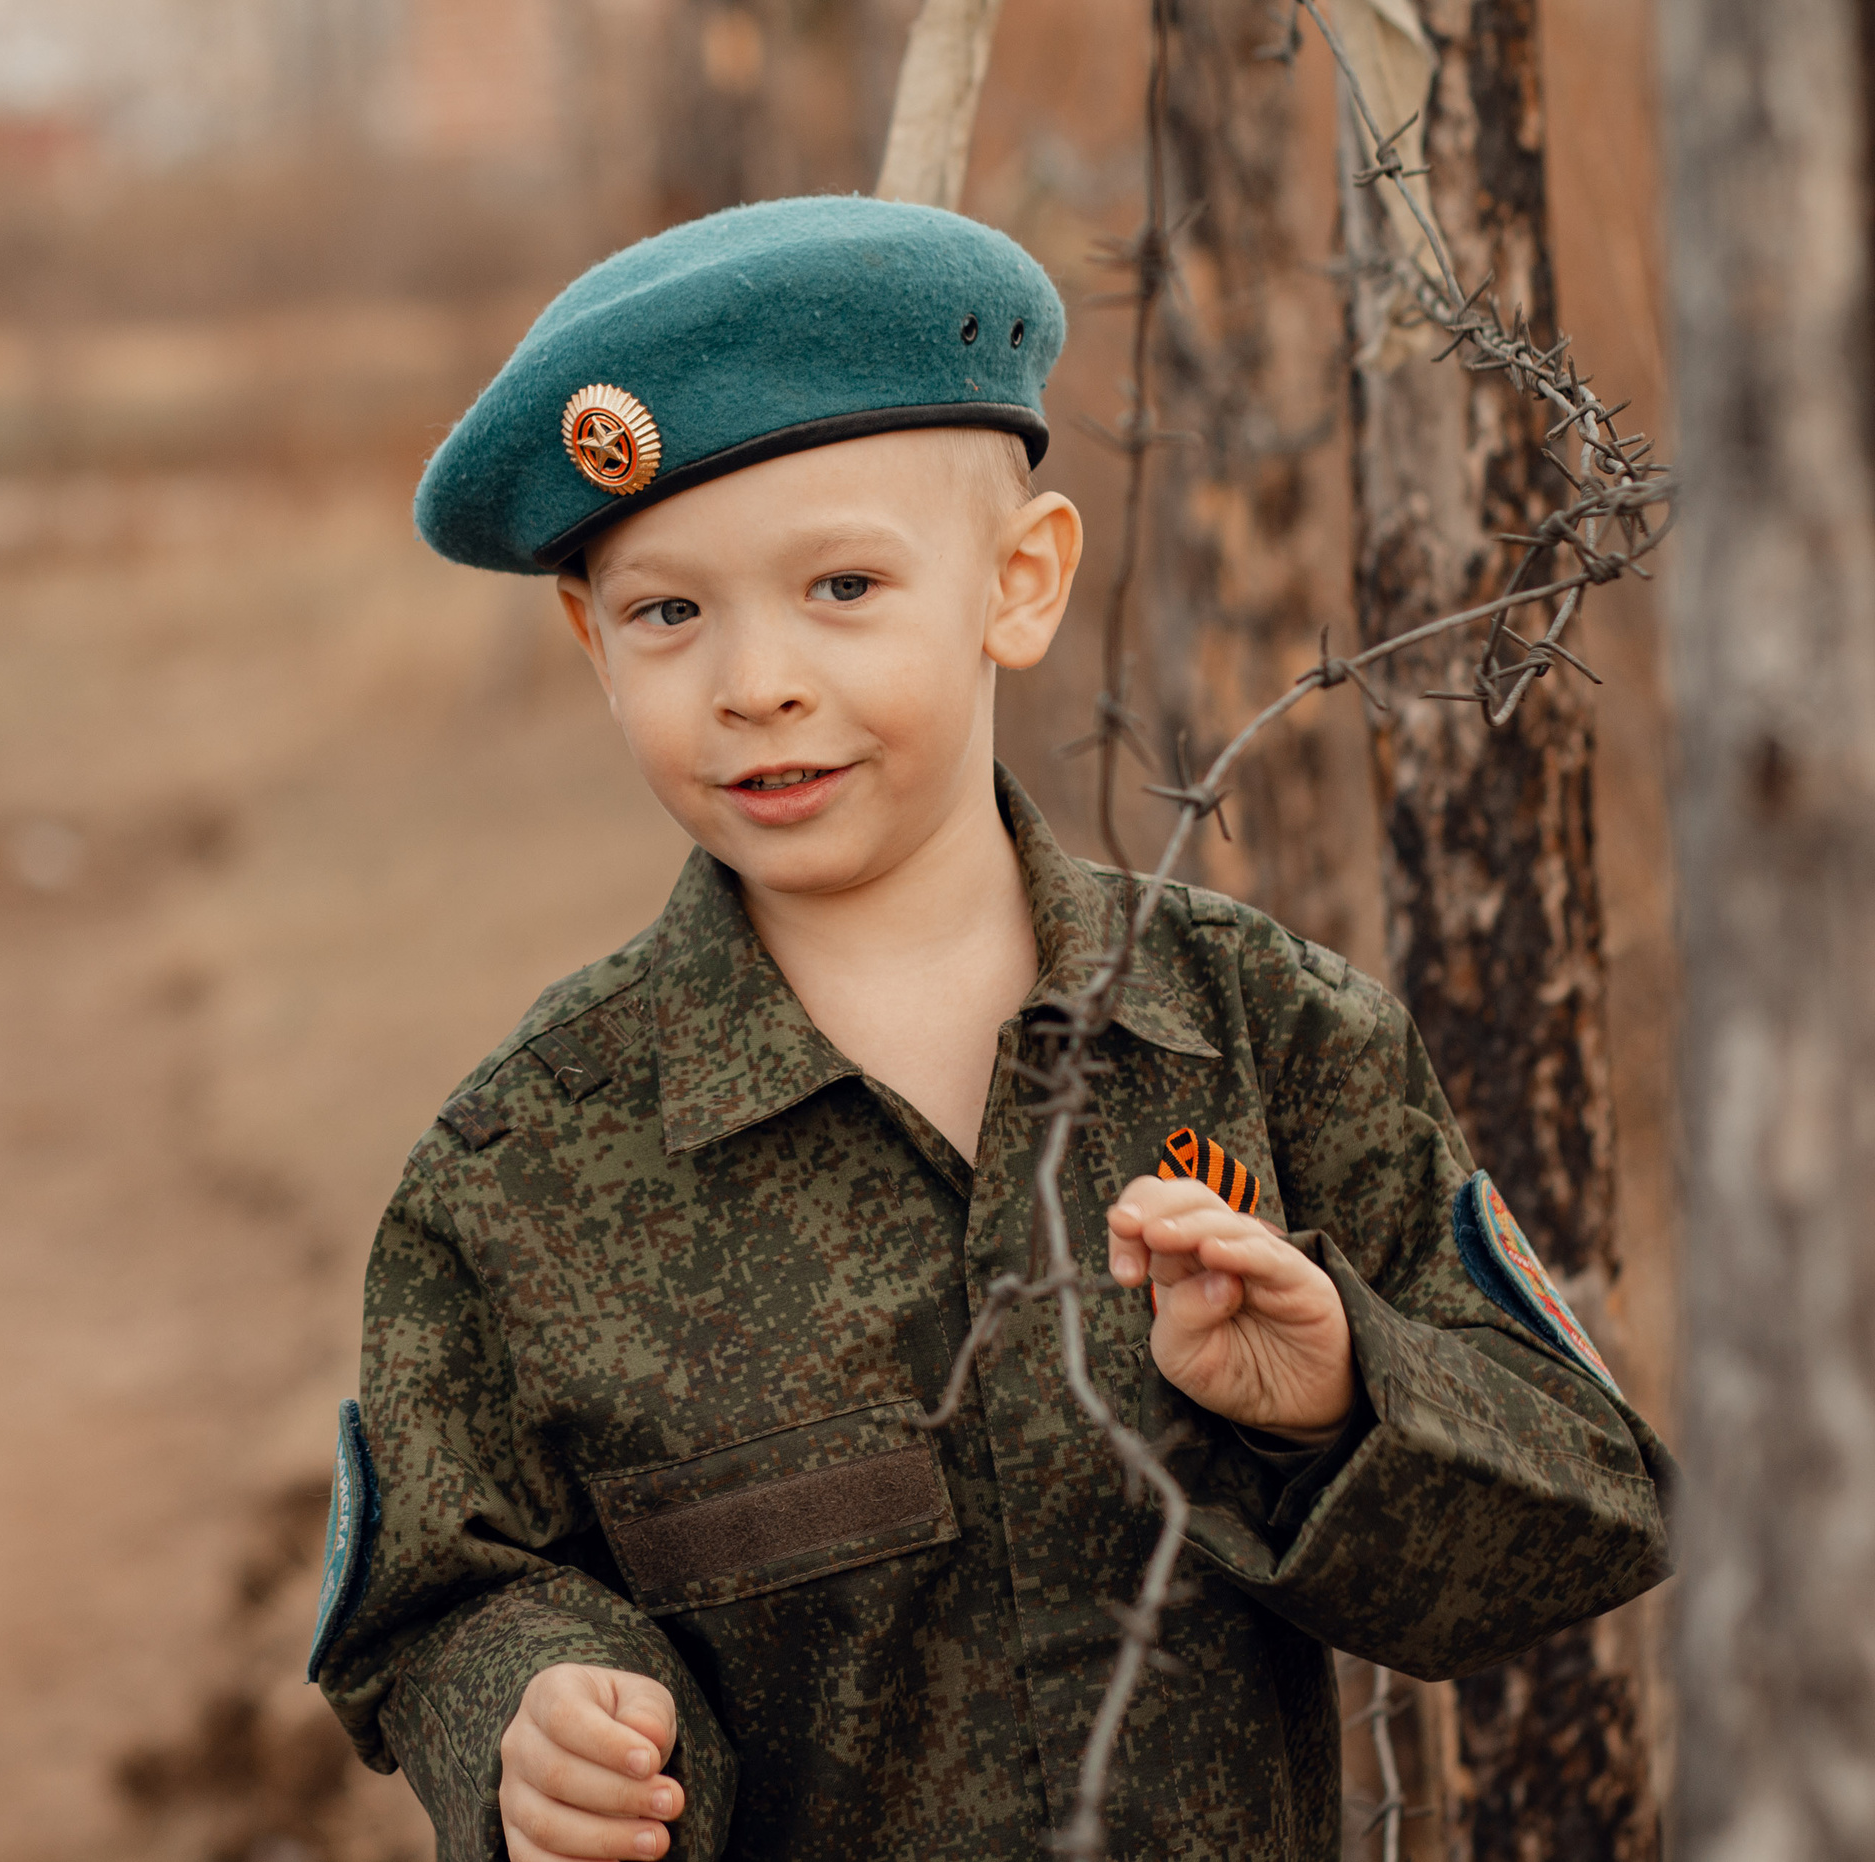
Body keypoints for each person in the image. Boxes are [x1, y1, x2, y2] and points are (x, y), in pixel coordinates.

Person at [306, 196, 1672, 1861]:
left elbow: (1591, 1509)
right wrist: (530, 1715)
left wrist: (1335, 1402)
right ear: (592, 640)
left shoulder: (1272, 1038)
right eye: (671, 613)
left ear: (1017, 585)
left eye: (843, 584)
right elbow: (429, 1605)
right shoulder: (511, 1181)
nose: (756, 680)